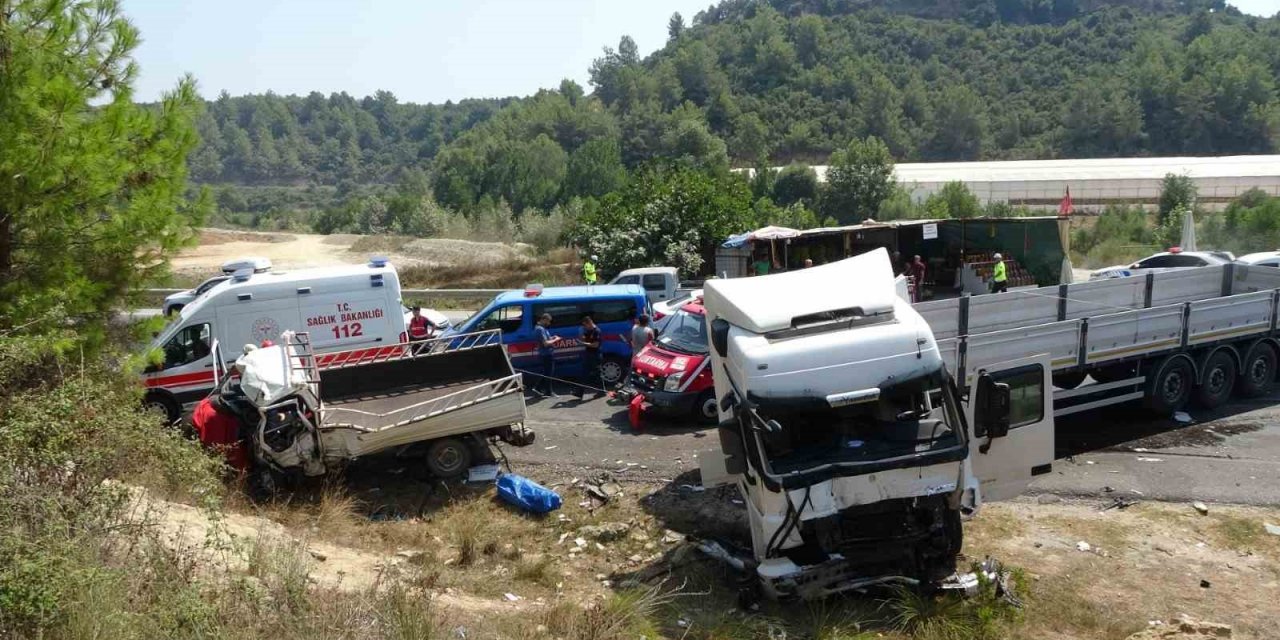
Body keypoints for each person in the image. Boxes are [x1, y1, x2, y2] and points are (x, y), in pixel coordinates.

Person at [532, 313, 561, 396]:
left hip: (547, 353)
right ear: (544, 320)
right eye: (548, 321)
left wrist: (553, 338)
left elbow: (546, 339)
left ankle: (540, 389)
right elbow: (545, 343)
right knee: (548, 373)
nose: (549, 323)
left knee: (547, 372)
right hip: (546, 353)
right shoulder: (540, 329)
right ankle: (546, 391)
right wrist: (556, 340)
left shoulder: (542, 329)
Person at [574, 315, 602, 399]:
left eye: (585, 325)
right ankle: (579, 392)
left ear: (589, 323)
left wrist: (584, 344)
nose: (584, 327)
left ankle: (602, 391)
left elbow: (596, 345)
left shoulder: (597, 331)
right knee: (584, 373)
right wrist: (581, 338)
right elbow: (584, 338)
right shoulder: (588, 330)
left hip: (595, 355)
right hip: (588, 354)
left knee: (597, 374)